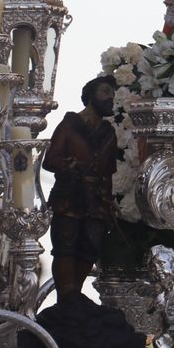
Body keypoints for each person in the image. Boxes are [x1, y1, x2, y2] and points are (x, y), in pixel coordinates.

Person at [42, 75, 119, 300]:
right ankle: (66, 297)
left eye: (112, 93)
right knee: (66, 245)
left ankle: (74, 292)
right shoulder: (70, 125)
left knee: (90, 246)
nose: (110, 97)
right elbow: (50, 160)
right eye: (106, 92)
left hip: (96, 202)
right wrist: (68, 165)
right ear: (91, 96)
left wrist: (108, 201)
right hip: (70, 196)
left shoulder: (108, 133)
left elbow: (108, 174)